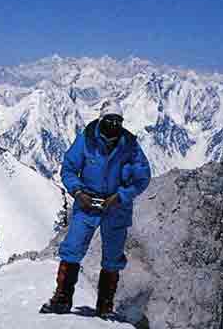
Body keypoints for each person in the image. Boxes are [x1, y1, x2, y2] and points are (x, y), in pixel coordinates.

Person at [39, 99, 151, 319]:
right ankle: (62, 299)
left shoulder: (129, 145)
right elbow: (68, 169)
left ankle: (105, 306)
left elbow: (143, 177)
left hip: (116, 206)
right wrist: (79, 193)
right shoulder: (86, 140)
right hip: (87, 203)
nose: (114, 124)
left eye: (118, 121)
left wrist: (120, 196)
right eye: (110, 120)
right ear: (101, 120)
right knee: (72, 248)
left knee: (112, 257)